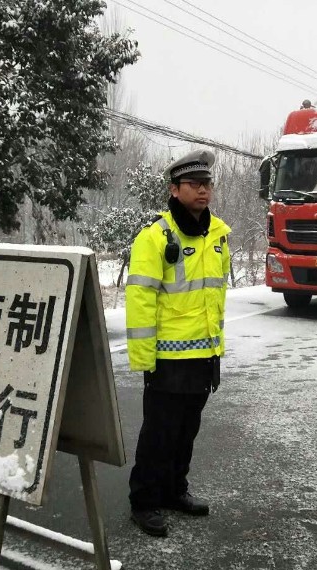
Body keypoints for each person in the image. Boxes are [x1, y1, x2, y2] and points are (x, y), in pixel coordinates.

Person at [125, 149, 231, 537]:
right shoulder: (155, 237)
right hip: (167, 360)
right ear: (175, 189)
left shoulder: (218, 236)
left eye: (207, 184)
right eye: (195, 184)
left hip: (204, 355)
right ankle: (144, 501)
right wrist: (144, 357)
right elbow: (140, 299)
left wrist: (217, 350)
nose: (204, 191)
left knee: (187, 431)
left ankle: (174, 491)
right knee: (159, 433)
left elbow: (213, 299)